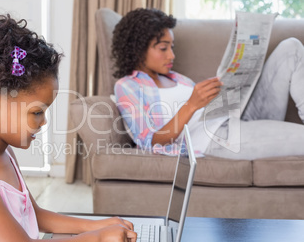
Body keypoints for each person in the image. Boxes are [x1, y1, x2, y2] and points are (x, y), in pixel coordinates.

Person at [0, 13, 137, 242]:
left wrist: (99, 226)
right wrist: (99, 238)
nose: (44, 121)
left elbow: (35, 216)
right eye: (37, 112)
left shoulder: (4, 155)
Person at [112, 8, 304, 160]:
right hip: (216, 138)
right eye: (163, 48)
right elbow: (150, 141)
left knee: (291, 47)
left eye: (172, 47)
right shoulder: (128, 86)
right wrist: (191, 104)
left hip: (237, 118)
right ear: (137, 50)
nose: (172, 55)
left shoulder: (177, 79)